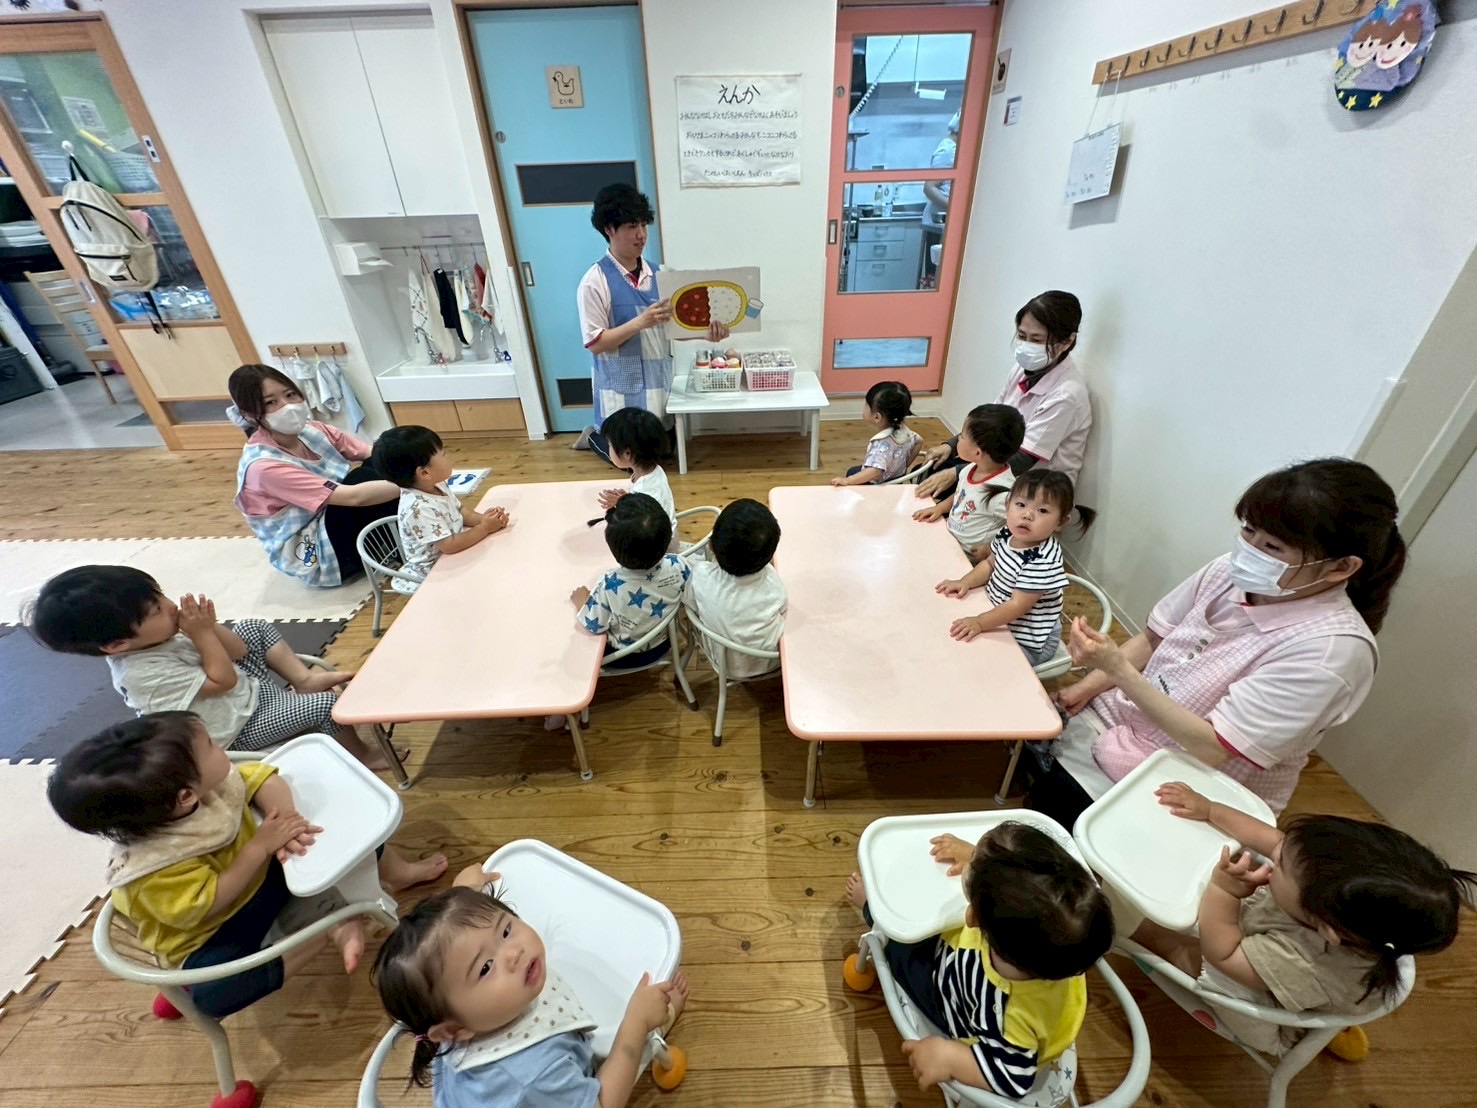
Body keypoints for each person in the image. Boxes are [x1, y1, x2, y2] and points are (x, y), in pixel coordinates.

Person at [1025, 458, 1407, 828]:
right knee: (1025, 749)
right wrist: (1084, 688)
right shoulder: (1229, 571)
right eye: (1248, 531)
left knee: (1049, 815)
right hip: (1124, 723)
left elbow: (1213, 748)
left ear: (1341, 567)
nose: (1250, 551)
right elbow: (1155, 639)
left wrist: (1117, 669)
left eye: (1273, 547)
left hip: (1194, 783)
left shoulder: (1331, 653)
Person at [47, 712, 446, 1020]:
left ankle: (398, 874)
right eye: (211, 746)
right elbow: (204, 905)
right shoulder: (154, 869)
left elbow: (264, 777)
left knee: (348, 833)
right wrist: (258, 848)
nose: (221, 745)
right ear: (185, 797)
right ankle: (330, 926)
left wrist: (286, 821)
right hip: (212, 930)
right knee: (214, 996)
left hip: (259, 881)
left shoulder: (206, 791)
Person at [1133, 781, 1476, 1058]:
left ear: (1325, 928)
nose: (1277, 853)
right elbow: (1276, 841)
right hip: (1318, 988)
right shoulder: (1353, 917)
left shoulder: (1304, 961)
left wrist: (1223, 892)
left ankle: (1144, 935)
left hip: (1270, 1017)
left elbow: (1222, 955)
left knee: (1211, 965)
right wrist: (1210, 809)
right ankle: (1329, 1020)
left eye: (1281, 863)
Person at [29, 565, 404, 772]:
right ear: (116, 645)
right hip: (237, 728)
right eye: (156, 610)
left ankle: (303, 680)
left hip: (244, 693)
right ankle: (361, 755)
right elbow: (223, 680)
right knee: (325, 706)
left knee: (253, 628)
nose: (169, 606)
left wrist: (208, 628)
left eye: (160, 594)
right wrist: (202, 633)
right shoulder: (141, 674)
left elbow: (238, 650)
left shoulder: (161, 636)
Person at [372, 866, 690, 1106]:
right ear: (453, 1031)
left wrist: (465, 893)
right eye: (485, 968)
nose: (513, 953)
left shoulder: (464, 1011)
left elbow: (461, 945)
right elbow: (603, 1103)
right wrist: (635, 1023)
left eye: (505, 931)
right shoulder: (532, 1074)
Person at [845, 821, 1112, 1099]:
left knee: (899, 943)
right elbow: (1028, 888)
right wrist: (981, 859)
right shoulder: (1060, 944)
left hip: (950, 996)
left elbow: (1014, 1078)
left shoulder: (1005, 1012)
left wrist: (949, 1057)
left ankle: (870, 907)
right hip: (975, 964)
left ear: (972, 917)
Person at [574, 183, 727, 465]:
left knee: (663, 455)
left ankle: (613, 440)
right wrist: (639, 322)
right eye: (632, 226)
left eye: (643, 225)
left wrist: (706, 334)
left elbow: (674, 327)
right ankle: (595, 437)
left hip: (657, 381)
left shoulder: (661, 274)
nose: (641, 234)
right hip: (621, 388)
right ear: (609, 229)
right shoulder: (594, 281)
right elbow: (595, 344)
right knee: (628, 463)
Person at [228, 364, 399, 587]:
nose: (287, 406)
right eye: (271, 402)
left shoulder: (313, 429)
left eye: (290, 395)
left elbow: (372, 453)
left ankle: (412, 533)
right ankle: (413, 540)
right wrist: (416, 482)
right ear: (249, 414)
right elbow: (354, 497)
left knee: (383, 460)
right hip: (318, 553)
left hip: (334, 519)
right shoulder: (264, 467)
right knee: (364, 481)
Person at [916, 292, 1091, 501]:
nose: (1026, 346)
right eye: (1022, 336)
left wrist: (957, 475)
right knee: (927, 473)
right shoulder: (1022, 370)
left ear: (1067, 341)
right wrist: (950, 445)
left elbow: (1023, 460)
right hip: (997, 461)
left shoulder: (1067, 395)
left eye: (1037, 340)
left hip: (1033, 487)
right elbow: (989, 422)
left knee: (940, 489)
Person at [936, 471, 1095, 668]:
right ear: (1007, 505)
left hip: (1028, 641)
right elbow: (990, 563)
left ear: (1060, 522)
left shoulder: (1042, 561)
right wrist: (965, 582)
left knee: (977, 665)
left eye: (1042, 510)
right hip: (998, 615)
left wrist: (979, 622)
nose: (1027, 515)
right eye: (1020, 504)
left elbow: (1017, 605)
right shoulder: (1007, 533)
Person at [372, 426, 509, 595]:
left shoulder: (437, 485)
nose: (448, 457)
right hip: (433, 572)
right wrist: (485, 528)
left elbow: (460, 511)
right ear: (424, 473)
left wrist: (485, 519)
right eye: (443, 454)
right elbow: (449, 546)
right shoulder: (419, 508)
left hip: (453, 552)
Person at [572, 493, 690, 670]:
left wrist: (582, 601)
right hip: (665, 642)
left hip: (624, 656)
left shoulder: (608, 584)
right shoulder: (679, 564)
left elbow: (594, 625)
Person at [685, 498, 786, 680]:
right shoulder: (773, 584)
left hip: (720, 660)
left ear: (712, 545)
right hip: (768, 662)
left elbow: (691, 605)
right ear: (770, 555)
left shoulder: (700, 574)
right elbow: (784, 613)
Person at [913, 404, 1025, 562]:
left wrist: (992, 548)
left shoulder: (1003, 493)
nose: (958, 439)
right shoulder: (970, 468)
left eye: (962, 436)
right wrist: (939, 508)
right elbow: (961, 494)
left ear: (977, 452)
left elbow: (1021, 527)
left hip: (967, 559)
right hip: (949, 540)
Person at [595, 406, 678, 543]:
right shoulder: (654, 470)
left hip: (659, 546)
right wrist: (626, 499)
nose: (609, 449)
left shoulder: (645, 489)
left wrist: (623, 505)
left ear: (627, 453)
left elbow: (641, 524)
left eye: (610, 445)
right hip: (665, 534)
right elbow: (646, 505)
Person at [831, 381, 922, 486]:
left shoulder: (881, 444)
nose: (864, 407)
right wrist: (904, 465)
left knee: (851, 473)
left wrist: (847, 481)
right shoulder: (905, 431)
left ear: (877, 417)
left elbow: (875, 471)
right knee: (853, 470)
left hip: (877, 484)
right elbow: (919, 441)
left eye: (866, 405)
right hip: (896, 478)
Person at [920, 110, 959, 287]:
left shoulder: (956, 150)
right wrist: (955, 208)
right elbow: (929, 187)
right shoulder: (947, 150)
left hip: (945, 222)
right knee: (934, 278)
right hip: (938, 223)